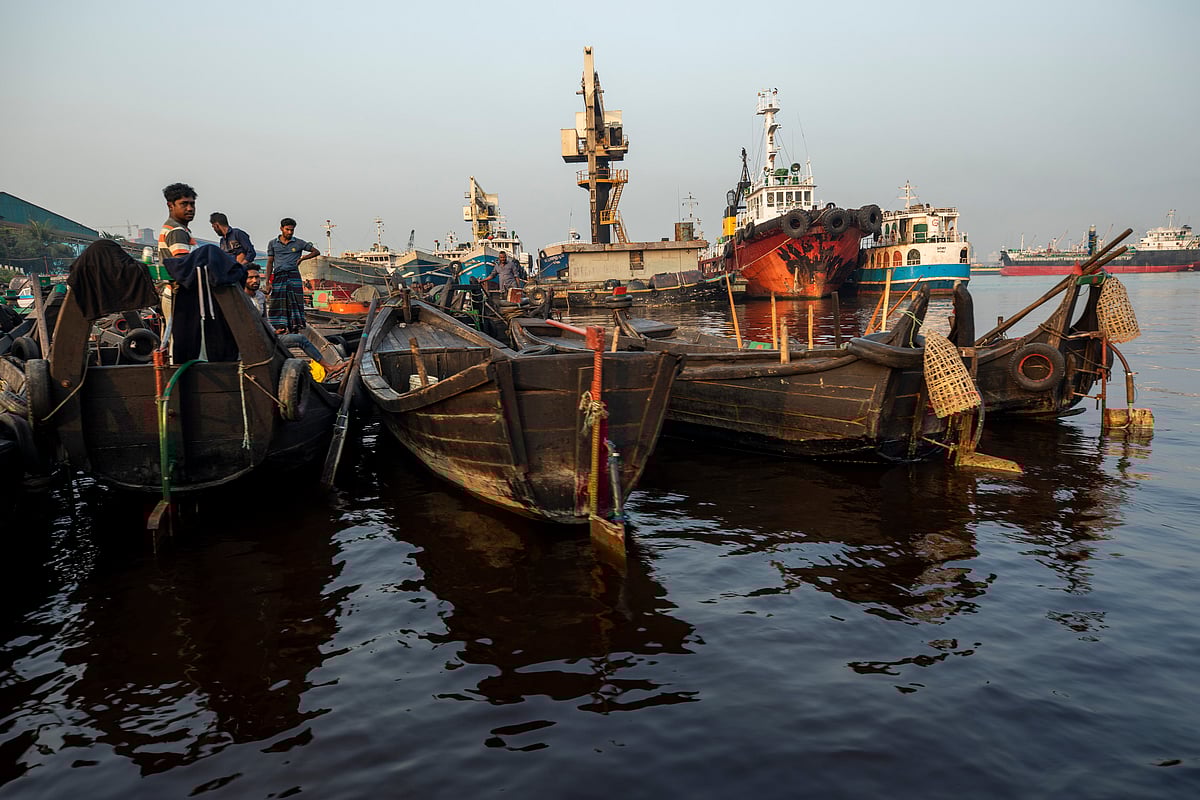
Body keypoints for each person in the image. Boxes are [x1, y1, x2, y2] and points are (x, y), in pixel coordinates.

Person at [265, 217, 319, 334]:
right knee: (278, 302)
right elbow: (270, 262)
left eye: (292, 230)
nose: (289, 232)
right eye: (287, 230)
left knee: (295, 301)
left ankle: (295, 327)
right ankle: (280, 327)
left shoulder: (299, 243)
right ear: (281, 229)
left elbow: (316, 251)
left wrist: (303, 258)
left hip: (293, 275)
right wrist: (267, 282)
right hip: (279, 275)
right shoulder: (273, 243)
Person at [158, 182, 197, 262]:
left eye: (192, 204)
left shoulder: (175, 228)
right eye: (184, 204)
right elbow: (182, 265)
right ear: (170, 206)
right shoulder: (176, 230)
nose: (190, 208)